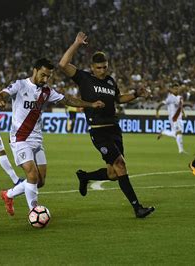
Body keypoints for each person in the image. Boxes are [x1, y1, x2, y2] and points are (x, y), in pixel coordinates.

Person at [59, 32, 155, 219]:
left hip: (114, 129)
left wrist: (136, 93)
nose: (103, 70)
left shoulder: (110, 81)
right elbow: (62, 65)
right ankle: (137, 208)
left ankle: (84, 176)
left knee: (113, 174)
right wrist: (76, 44)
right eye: (99, 68)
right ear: (92, 67)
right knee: (121, 165)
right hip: (99, 131)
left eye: (105, 67)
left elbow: (119, 99)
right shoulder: (84, 78)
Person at [0, 58, 104, 216]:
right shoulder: (20, 85)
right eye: (43, 75)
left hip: (37, 140)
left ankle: (8, 194)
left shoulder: (47, 92)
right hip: (20, 139)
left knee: (40, 181)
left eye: (48, 76)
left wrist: (90, 104)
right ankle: (34, 212)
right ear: (35, 70)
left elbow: (68, 100)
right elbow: (1, 94)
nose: (45, 79)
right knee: (32, 175)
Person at [155, 83, 186, 154]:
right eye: (175, 88)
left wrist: (183, 113)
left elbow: (180, 107)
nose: (176, 90)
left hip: (179, 118)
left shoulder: (180, 97)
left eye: (177, 88)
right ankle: (181, 150)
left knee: (176, 134)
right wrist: (157, 112)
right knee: (178, 133)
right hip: (174, 118)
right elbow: (161, 104)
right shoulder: (170, 97)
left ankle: (164, 132)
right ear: (172, 89)